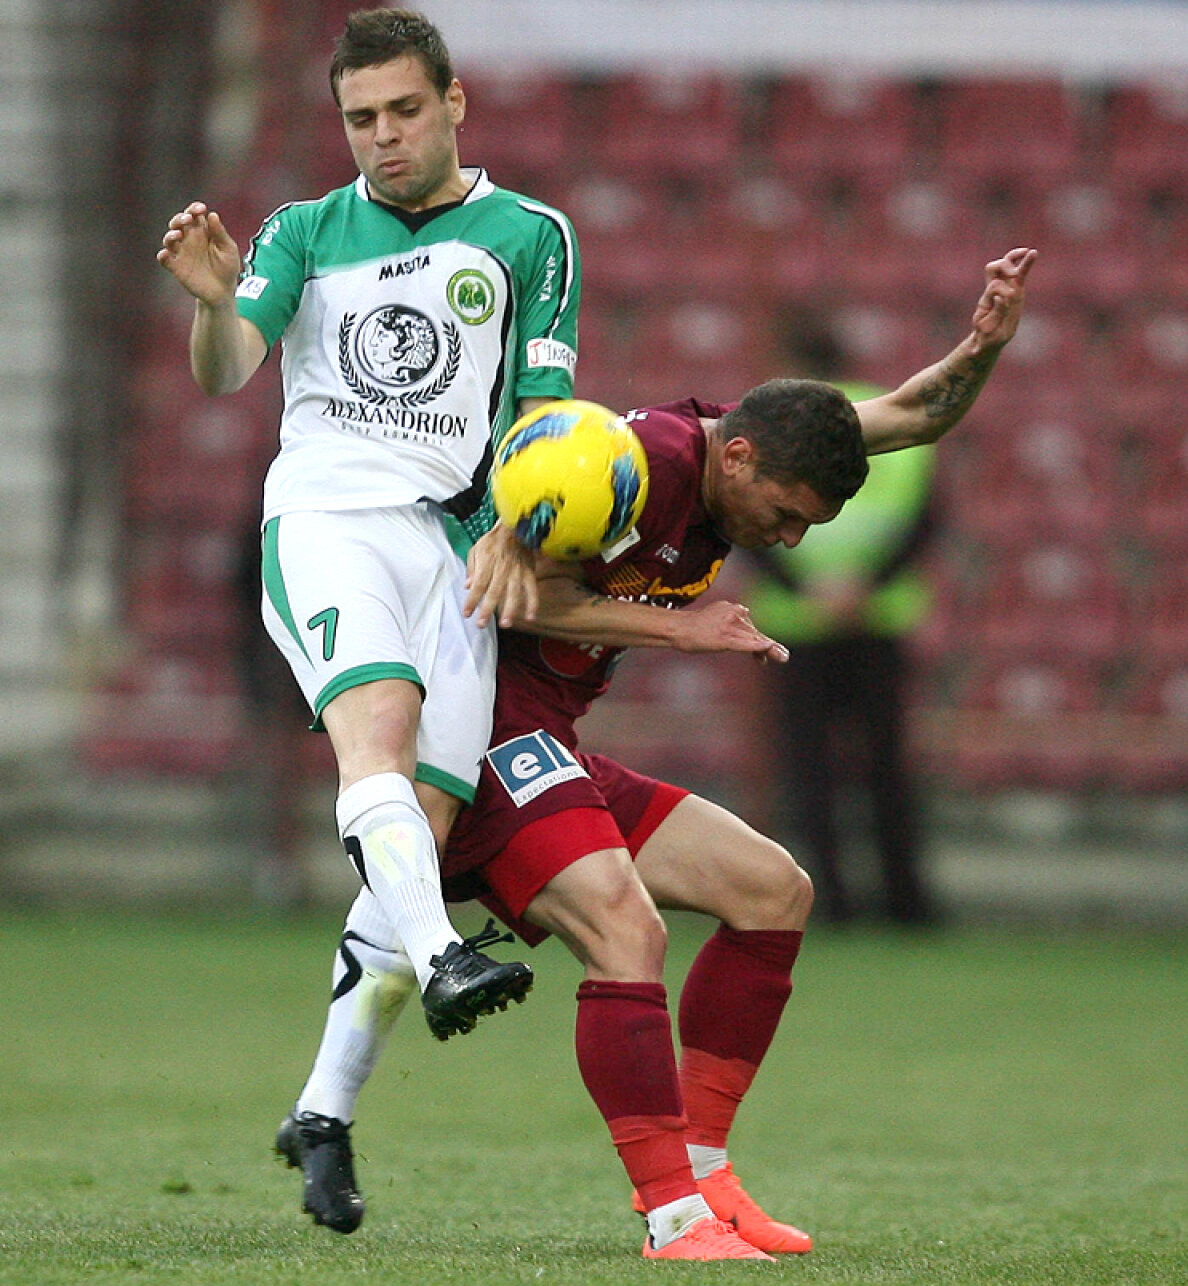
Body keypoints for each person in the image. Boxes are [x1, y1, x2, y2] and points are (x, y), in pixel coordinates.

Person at [276, 249, 1036, 1259]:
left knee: (774, 890)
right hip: (482, 740)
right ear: (740, 461)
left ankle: (710, 1177)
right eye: (789, 516)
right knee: (627, 932)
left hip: (549, 743)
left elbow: (916, 413)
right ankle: (672, 1215)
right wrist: (684, 628)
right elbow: (507, 591)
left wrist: (981, 348)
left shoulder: (763, 447)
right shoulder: (633, 467)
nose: (794, 542)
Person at [157, 7, 582, 1080]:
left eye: (402, 110)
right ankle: (444, 954)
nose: (382, 135)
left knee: (423, 826)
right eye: (359, 119)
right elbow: (227, 367)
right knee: (377, 730)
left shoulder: (532, 234)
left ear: (453, 103)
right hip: (329, 517)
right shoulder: (302, 229)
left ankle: (322, 1109)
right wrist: (214, 308)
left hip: (455, 545)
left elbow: (540, 408)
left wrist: (523, 536)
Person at [747, 376, 941, 926]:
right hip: (876, 620)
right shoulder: (888, 411)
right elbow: (926, 520)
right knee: (887, 771)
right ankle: (907, 903)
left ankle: (829, 902)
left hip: (796, 627)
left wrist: (803, 588)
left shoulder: (773, 421)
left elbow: (742, 517)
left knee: (812, 776)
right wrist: (869, 585)